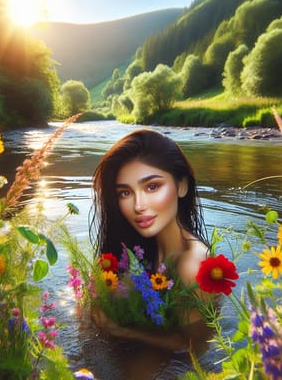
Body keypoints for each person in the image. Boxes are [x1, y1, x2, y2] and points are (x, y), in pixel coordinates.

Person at [89, 129, 213, 351]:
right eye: (125, 193)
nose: (138, 205)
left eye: (152, 187)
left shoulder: (191, 266)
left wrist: (121, 331)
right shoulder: (141, 246)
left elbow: (195, 346)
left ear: (181, 185)